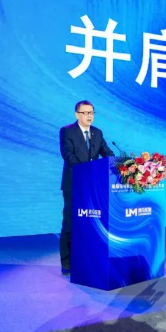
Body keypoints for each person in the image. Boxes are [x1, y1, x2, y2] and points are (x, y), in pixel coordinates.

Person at [59, 100, 114, 275]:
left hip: (92, 186)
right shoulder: (67, 131)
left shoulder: (97, 133)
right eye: (85, 113)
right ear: (77, 114)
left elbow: (106, 152)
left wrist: (118, 164)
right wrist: (85, 171)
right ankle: (67, 262)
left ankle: (88, 258)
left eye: (91, 113)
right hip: (74, 184)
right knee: (70, 223)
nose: (89, 116)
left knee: (92, 222)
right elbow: (68, 155)